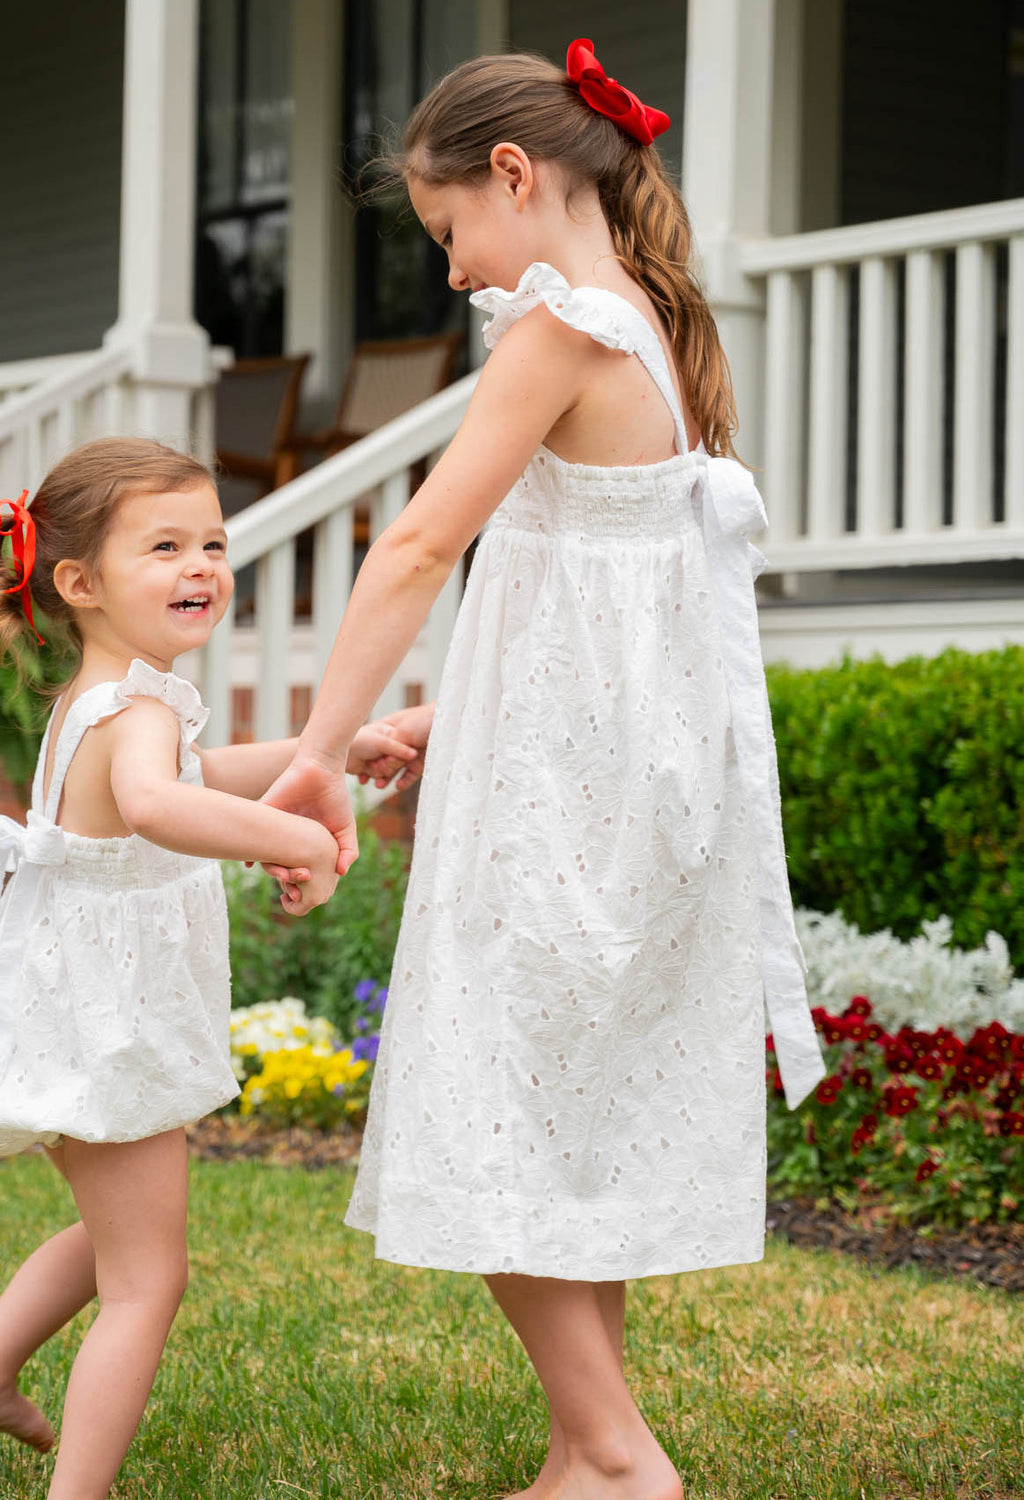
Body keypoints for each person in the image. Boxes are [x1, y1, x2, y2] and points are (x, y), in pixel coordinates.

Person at [262, 41, 826, 1500]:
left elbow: (417, 545)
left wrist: (321, 751)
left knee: (491, 1091)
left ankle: (629, 1462)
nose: (452, 273)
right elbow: (599, 586)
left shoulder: (561, 330)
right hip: (619, 771)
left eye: (450, 232)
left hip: (574, 795)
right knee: (561, 1105)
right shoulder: (649, 321)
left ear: (514, 175)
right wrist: (457, 712)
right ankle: (587, 1447)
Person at [0, 437, 417, 1500]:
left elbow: (200, 774)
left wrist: (332, 752)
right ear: (79, 583)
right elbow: (158, 805)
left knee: (114, 1232)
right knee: (149, 1280)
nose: (201, 564)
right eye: (165, 546)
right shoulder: (135, 708)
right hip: (108, 1010)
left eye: (212, 542)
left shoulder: (106, 697)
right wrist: (290, 840)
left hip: (82, 999)